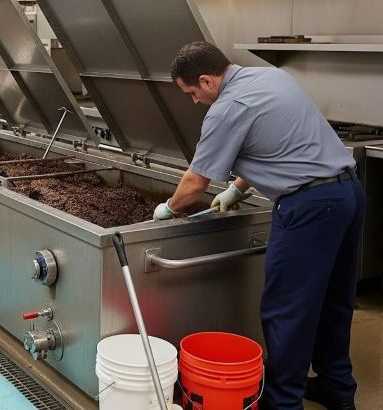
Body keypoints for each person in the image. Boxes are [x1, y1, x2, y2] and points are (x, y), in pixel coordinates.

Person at [154, 41, 364, 410]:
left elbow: (195, 183)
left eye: (192, 93)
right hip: (349, 194)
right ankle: (337, 389)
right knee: (334, 301)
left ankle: (283, 402)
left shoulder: (226, 109)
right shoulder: (271, 78)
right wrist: (238, 188)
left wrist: (167, 210)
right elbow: (274, 143)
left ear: (207, 81)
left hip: (309, 208)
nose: (195, 101)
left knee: (286, 309)